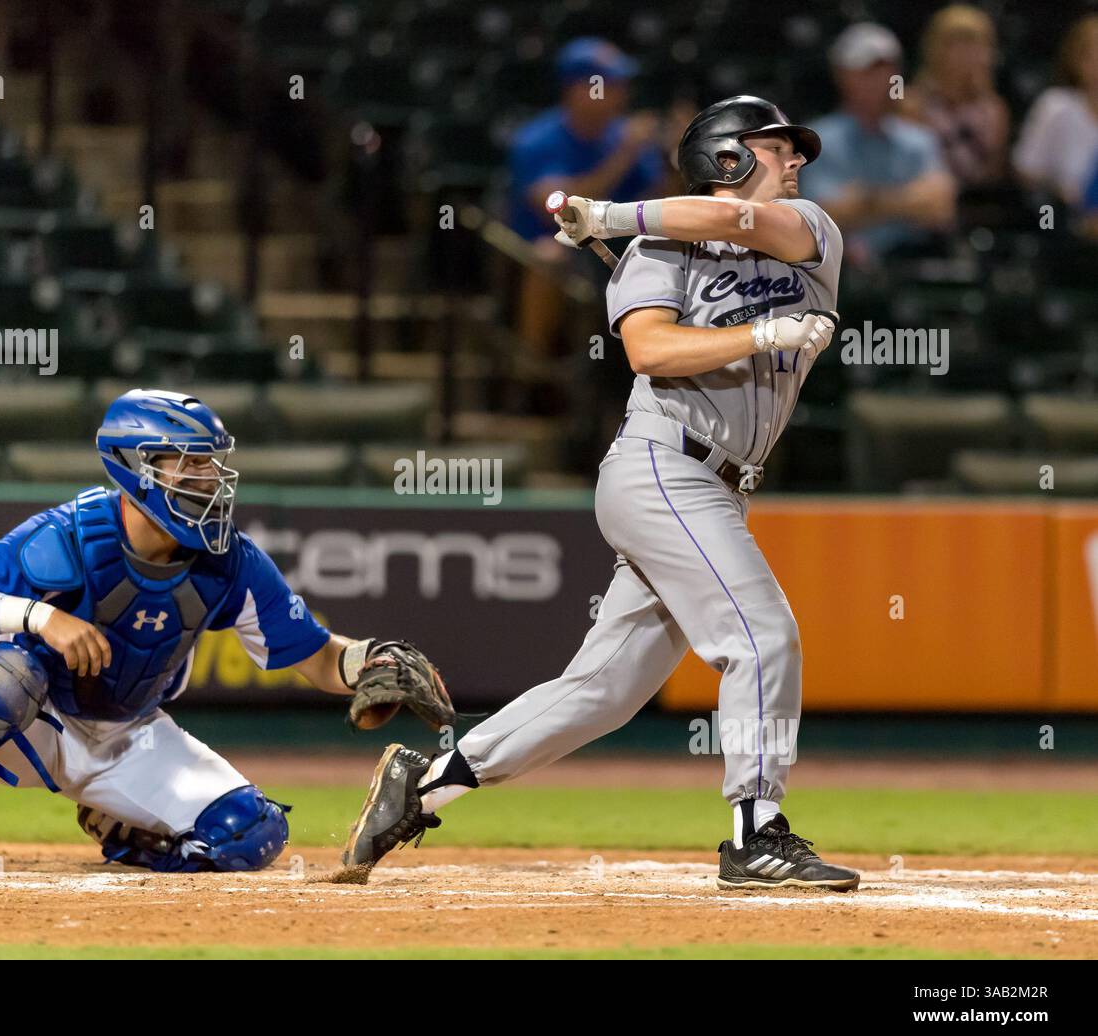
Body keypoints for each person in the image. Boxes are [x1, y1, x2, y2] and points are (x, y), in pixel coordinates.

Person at [341, 96, 860, 892]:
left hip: (719, 487)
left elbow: (748, 227)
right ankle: (756, 833)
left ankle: (427, 781)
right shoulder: (654, 250)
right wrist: (758, 334)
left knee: (603, 692)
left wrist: (611, 215)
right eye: (779, 147)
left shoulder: (810, 231)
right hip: (661, 465)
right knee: (761, 637)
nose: (796, 162)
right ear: (728, 157)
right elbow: (649, 348)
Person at [0, 389, 446, 874]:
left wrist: (366, 661)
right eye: (189, 464)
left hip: (130, 731)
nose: (207, 480)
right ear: (136, 469)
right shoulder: (73, 535)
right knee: (5, 673)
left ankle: (127, 834)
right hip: (36, 716)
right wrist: (40, 616)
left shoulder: (231, 560)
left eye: (211, 465)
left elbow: (315, 658)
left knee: (251, 833)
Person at [507, 37, 674, 356]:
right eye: (612, 84)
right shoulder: (537, 139)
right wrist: (624, 155)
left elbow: (661, 201)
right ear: (578, 89)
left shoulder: (623, 134)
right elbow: (557, 209)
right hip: (558, 250)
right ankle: (531, 368)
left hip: (615, 248)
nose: (623, 92)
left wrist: (676, 159)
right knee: (548, 256)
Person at [798, 22, 956, 266]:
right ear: (842, 75)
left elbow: (940, 209)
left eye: (886, 70)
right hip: (844, 271)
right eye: (867, 71)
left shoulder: (919, 138)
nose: (878, 80)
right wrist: (910, 202)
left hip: (912, 263)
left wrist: (867, 201)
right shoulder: (816, 139)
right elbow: (825, 215)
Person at [903, 5, 1010, 188]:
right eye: (958, 44)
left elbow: (995, 175)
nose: (969, 54)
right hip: (928, 203)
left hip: (980, 205)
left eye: (977, 44)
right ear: (935, 49)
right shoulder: (912, 104)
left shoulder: (994, 110)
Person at [1013, 14, 1098, 205]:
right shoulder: (1056, 106)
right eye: (1093, 54)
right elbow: (1026, 171)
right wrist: (1058, 191)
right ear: (1077, 61)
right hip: (1058, 216)